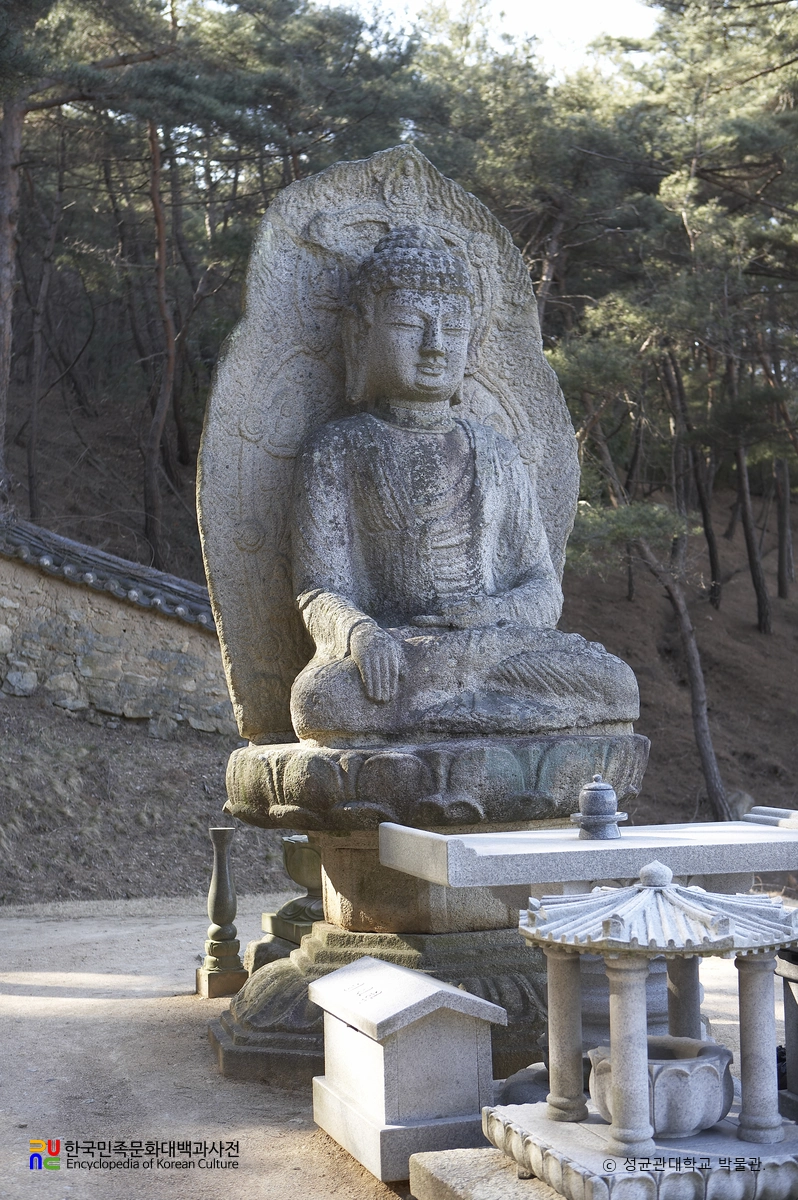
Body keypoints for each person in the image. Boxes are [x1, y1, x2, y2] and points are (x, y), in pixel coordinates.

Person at [288, 226, 638, 744]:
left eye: (452, 329)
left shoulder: (496, 451)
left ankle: (454, 715)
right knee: (322, 699)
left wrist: (489, 615)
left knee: (617, 685)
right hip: (403, 653)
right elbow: (319, 589)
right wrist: (360, 635)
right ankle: (494, 721)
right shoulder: (336, 449)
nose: (434, 347)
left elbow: (542, 588)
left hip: (494, 647)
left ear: (471, 344)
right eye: (410, 325)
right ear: (361, 337)